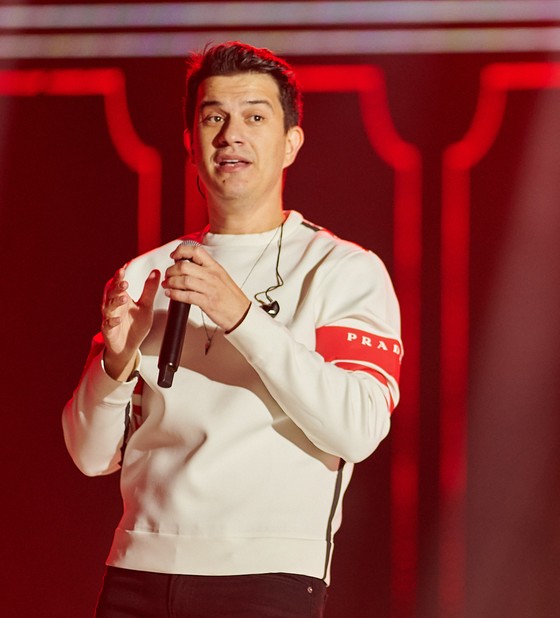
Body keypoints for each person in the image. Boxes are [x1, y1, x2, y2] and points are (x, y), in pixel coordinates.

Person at [63, 41, 402, 617]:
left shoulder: (343, 268)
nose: (231, 135)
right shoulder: (147, 272)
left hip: (267, 576)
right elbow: (90, 455)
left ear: (291, 143)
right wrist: (116, 366)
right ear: (191, 142)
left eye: (254, 116)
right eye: (214, 117)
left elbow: (358, 428)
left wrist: (242, 317)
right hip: (136, 573)